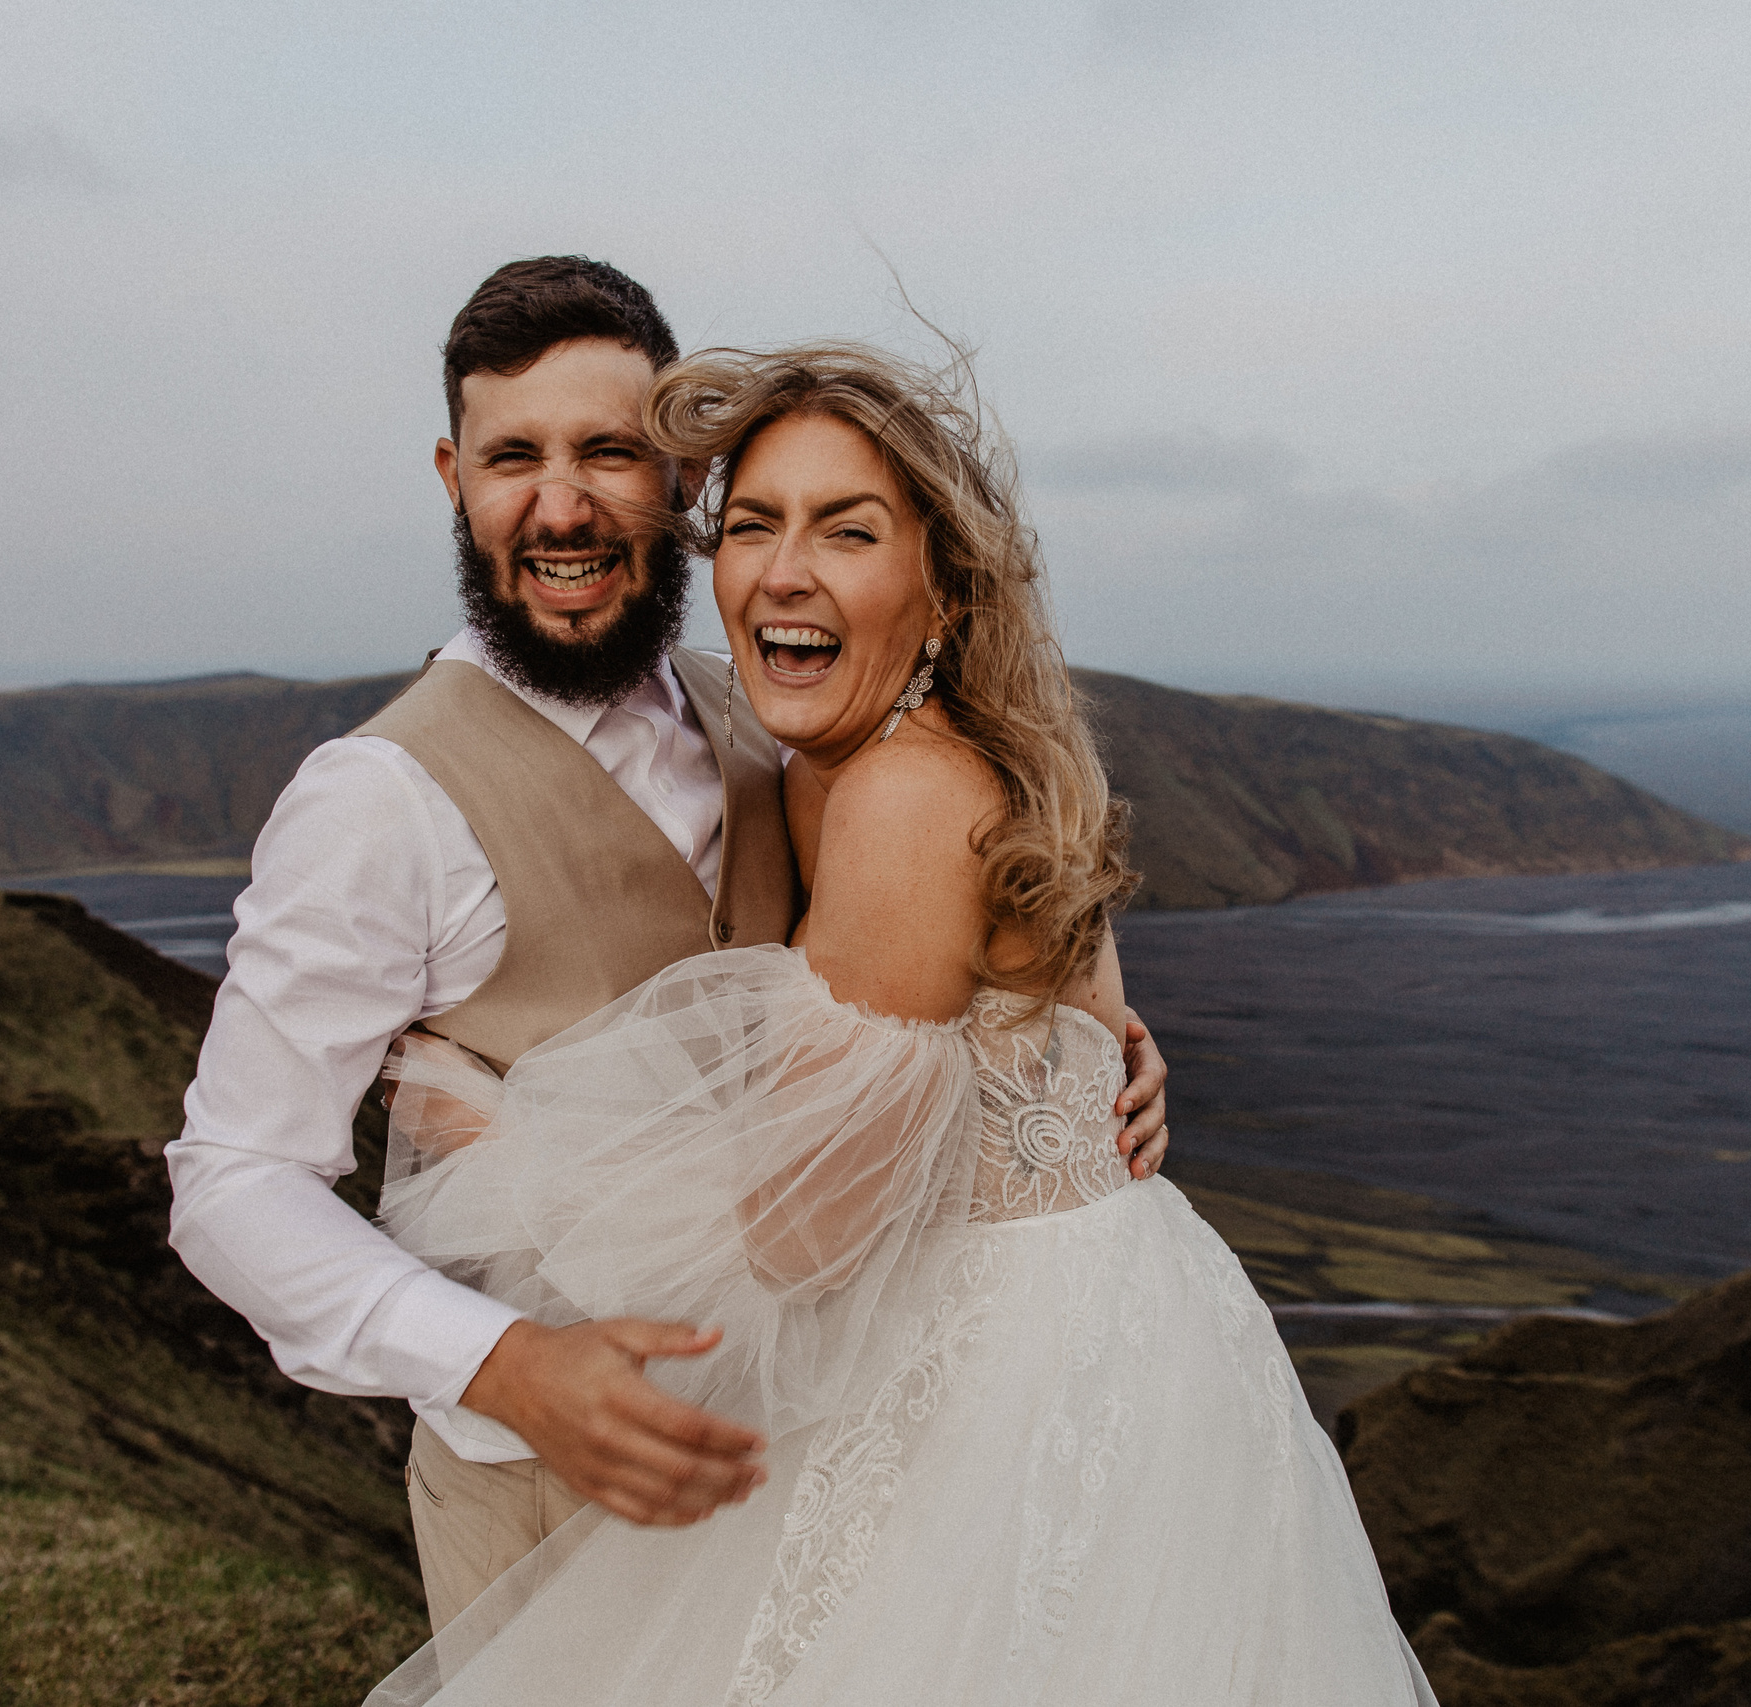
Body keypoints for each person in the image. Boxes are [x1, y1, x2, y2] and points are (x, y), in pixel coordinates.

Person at [358, 344, 1438, 1703]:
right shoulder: (849, 758)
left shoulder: (903, 795)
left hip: (1011, 1395)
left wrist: (497, 1136)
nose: (784, 571)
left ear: (943, 591)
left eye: (847, 530)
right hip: (1086, 1332)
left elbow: (799, 1236)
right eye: (755, 524)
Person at [164, 257, 1175, 1634]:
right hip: (544, 1498)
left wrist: (1071, 1068)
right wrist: (500, 1363)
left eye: (608, 453)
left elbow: (941, 980)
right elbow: (233, 1179)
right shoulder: (375, 801)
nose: (560, 506)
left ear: (681, 482)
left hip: (823, 1458)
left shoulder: (781, 708)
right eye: (512, 457)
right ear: (454, 479)